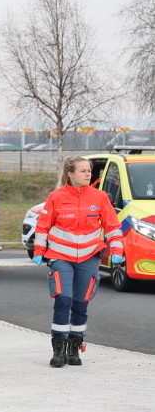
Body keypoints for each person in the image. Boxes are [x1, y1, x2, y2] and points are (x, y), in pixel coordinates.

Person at [32, 156, 125, 367]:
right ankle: (59, 349)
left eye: (89, 171)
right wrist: (39, 250)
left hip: (89, 256)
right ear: (70, 173)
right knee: (63, 299)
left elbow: (112, 226)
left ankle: (74, 349)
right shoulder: (56, 197)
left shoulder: (100, 197)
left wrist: (117, 249)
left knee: (80, 304)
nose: (87, 174)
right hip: (61, 256)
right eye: (82, 171)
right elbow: (43, 227)